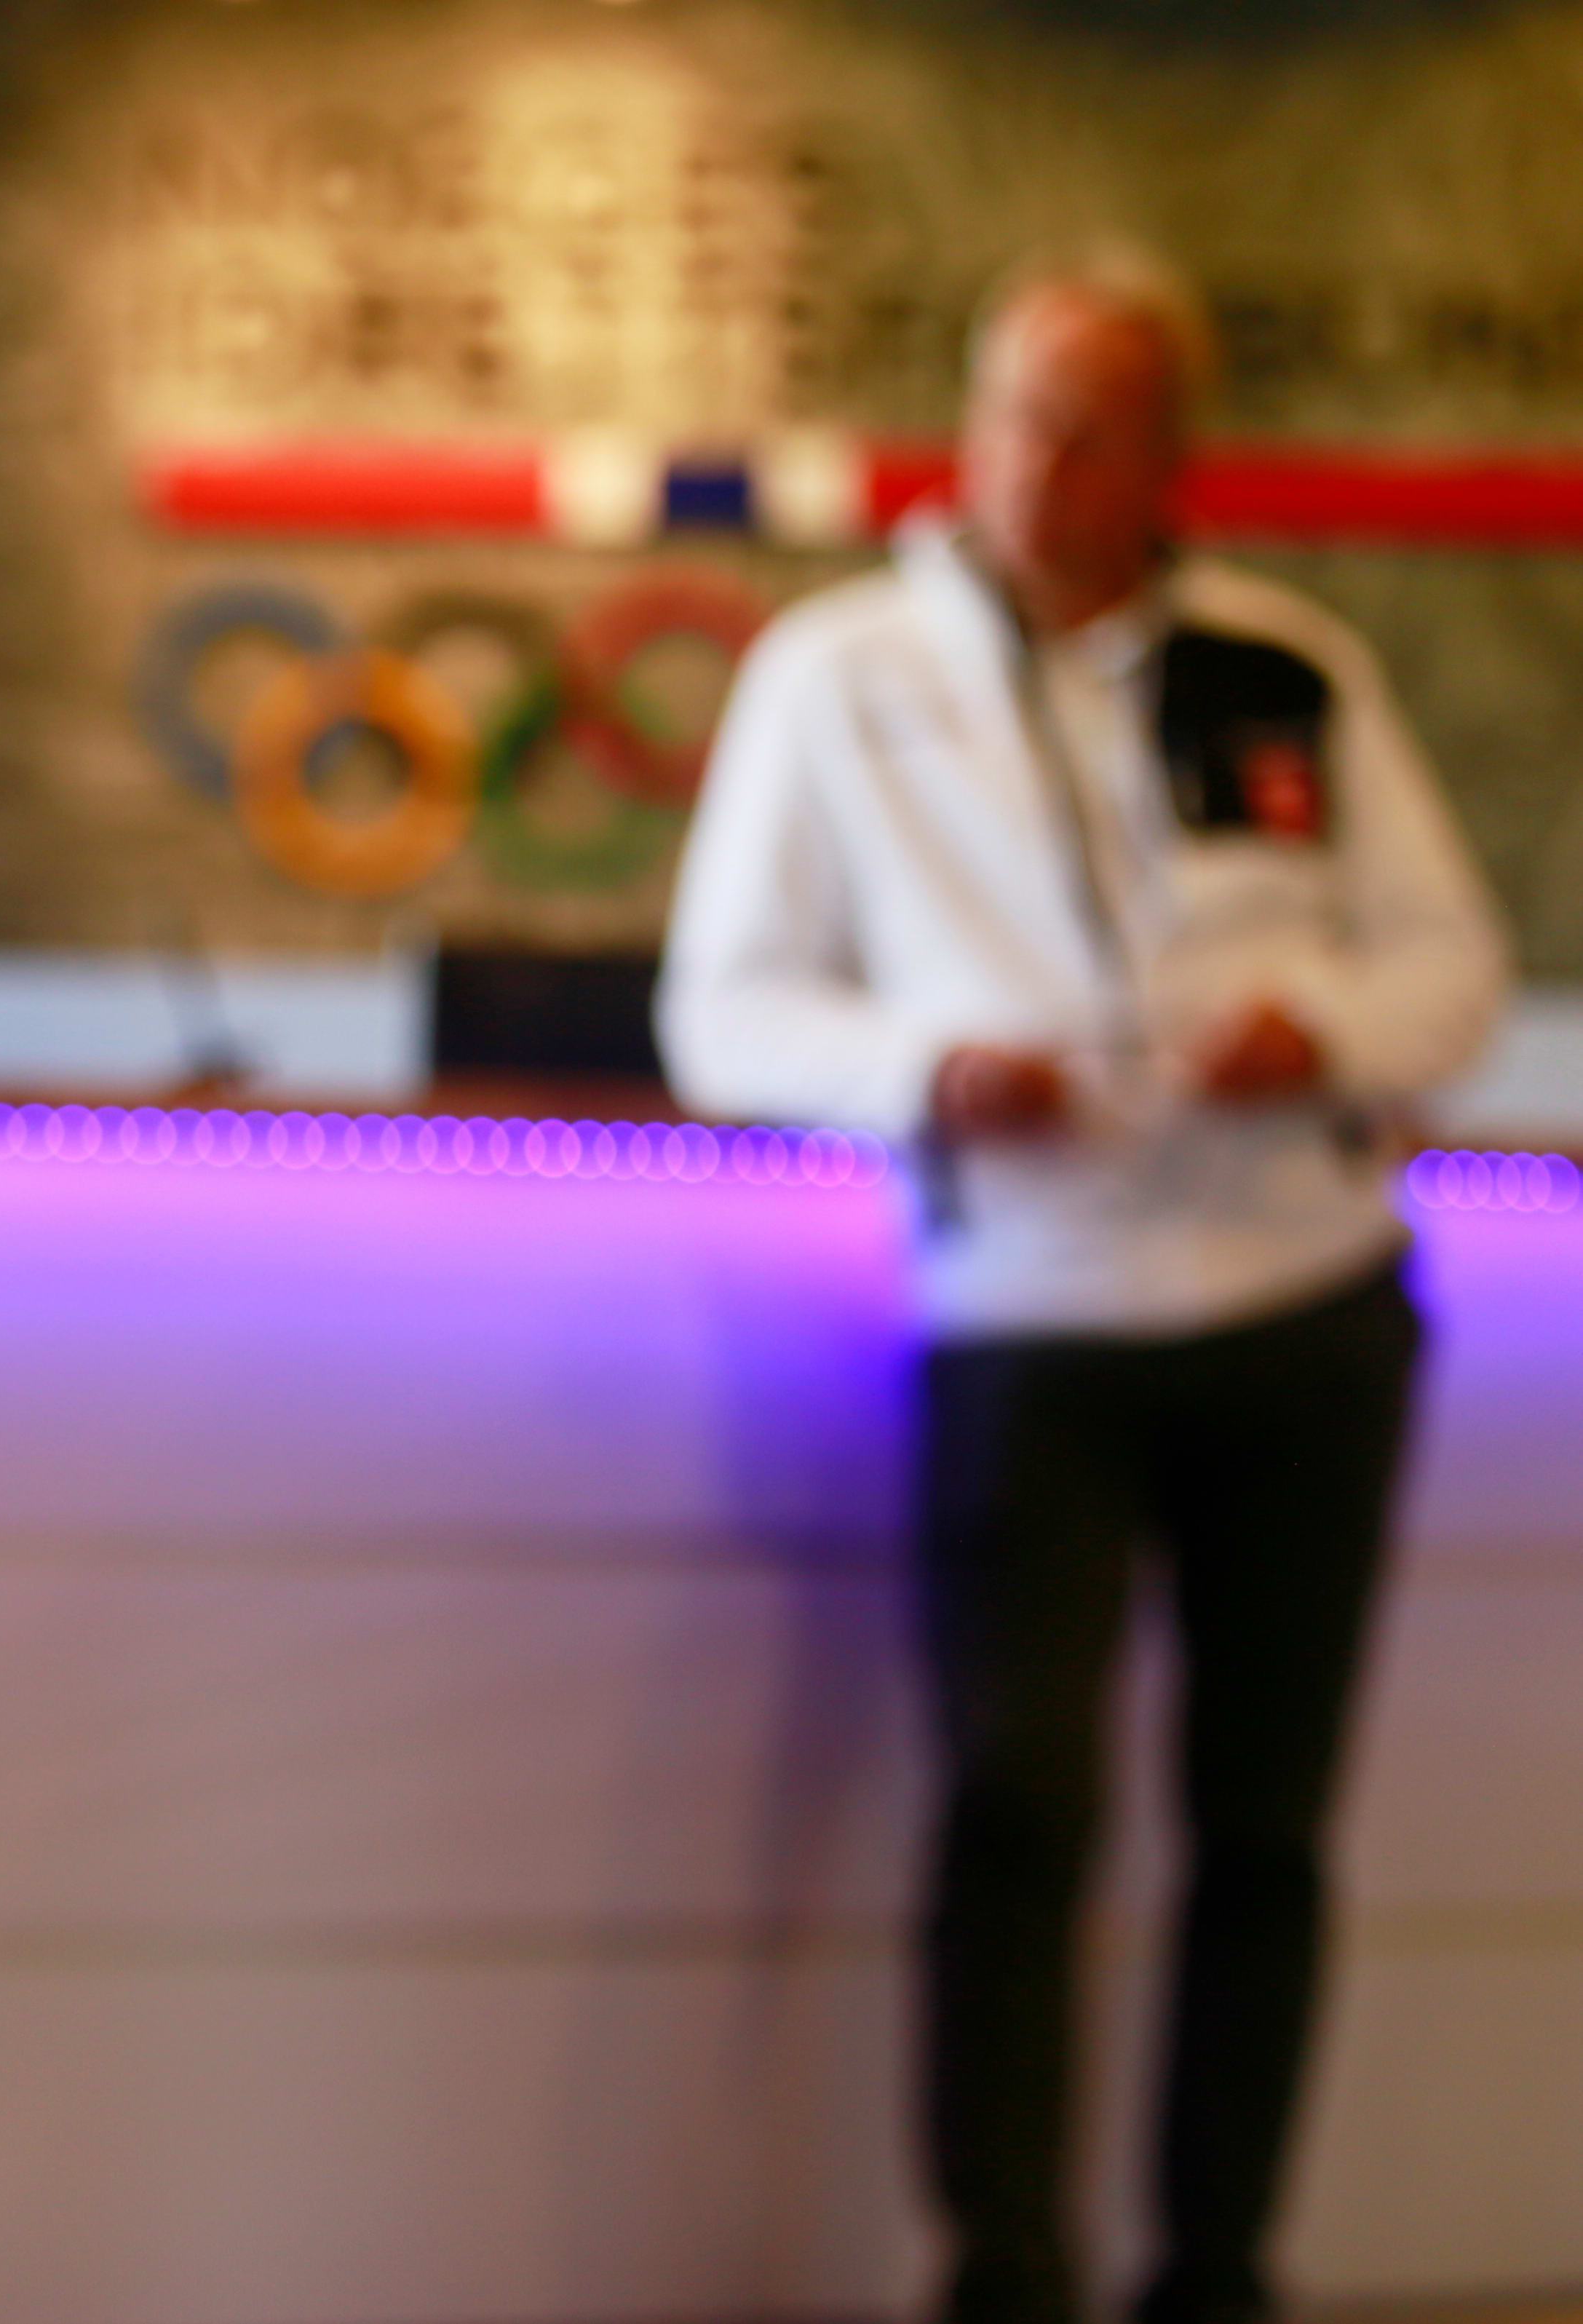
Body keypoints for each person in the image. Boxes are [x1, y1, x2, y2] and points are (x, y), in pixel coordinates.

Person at [658, 245, 1508, 2324]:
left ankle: (1218, 2272)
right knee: (1016, 1804)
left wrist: (1326, 1032)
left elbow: (1454, 971)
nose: (1040, 464)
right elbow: (725, 1011)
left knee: (1263, 1830)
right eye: (1017, 415)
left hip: (1303, 1301)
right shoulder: (842, 675)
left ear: (1169, 459)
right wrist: (924, 1071)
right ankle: (1005, 2273)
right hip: (1032, 1313)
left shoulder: (1282, 664)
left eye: (1092, 428)